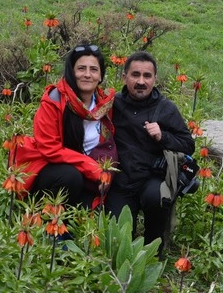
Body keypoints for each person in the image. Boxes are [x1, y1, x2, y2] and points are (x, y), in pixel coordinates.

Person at [106, 51, 195, 254]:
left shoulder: (166, 109)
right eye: (135, 75)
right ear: (124, 77)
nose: (141, 81)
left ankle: (154, 247)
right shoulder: (113, 104)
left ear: (155, 79)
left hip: (151, 179)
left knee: (157, 197)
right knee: (117, 245)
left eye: (147, 76)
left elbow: (188, 145)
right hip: (120, 181)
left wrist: (162, 136)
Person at [13, 44, 117, 208]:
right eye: (81, 68)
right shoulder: (54, 101)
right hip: (53, 169)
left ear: (101, 76)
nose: (87, 75)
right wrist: (91, 168)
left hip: (87, 170)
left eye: (94, 70)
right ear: (71, 72)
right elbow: (49, 148)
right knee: (70, 177)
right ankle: (52, 223)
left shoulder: (104, 105)